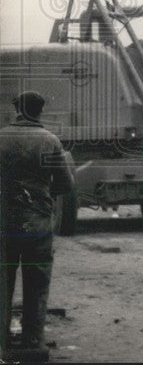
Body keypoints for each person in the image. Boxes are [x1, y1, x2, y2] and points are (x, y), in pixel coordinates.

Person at [1, 91, 74, 362]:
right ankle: (33, 338)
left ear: (17, 110)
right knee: (37, 284)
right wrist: (42, 194)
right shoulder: (50, 141)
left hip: (4, 224)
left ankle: (2, 339)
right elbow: (66, 185)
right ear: (39, 112)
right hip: (38, 225)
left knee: (2, 282)